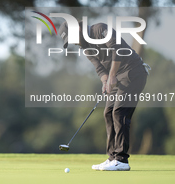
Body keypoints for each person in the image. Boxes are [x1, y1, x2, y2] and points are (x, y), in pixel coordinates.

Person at [58, 20, 150, 171]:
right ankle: (112, 158)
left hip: (133, 72)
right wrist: (105, 81)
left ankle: (121, 160)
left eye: (71, 37)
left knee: (119, 112)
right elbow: (100, 69)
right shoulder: (86, 48)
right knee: (108, 113)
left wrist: (112, 75)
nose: (73, 42)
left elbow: (117, 49)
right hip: (118, 77)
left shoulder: (99, 29)